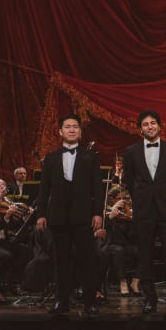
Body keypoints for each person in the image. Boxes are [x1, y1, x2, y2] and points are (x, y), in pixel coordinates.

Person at [124, 109, 166, 313]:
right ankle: (149, 298)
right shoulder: (131, 151)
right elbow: (129, 180)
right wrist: (140, 199)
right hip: (144, 209)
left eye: (153, 123)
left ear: (160, 126)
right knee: (145, 255)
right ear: (140, 130)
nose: (150, 126)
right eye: (145, 124)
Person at [34, 114, 103, 314]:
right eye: (67, 126)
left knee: (87, 260)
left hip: (83, 217)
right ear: (60, 131)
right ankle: (61, 302)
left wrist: (98, 213)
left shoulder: (91, 157)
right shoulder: (51, 158)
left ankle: (90, 302)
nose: (71, 129)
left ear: (80, 132)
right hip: (57, 218)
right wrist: (41, 214)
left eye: (75, 127)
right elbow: (43, 190)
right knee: (61, 262)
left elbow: (97, 189)